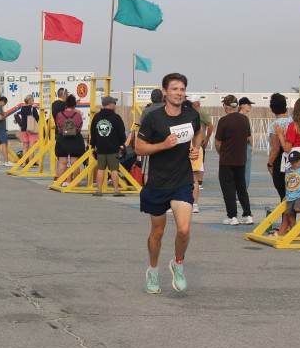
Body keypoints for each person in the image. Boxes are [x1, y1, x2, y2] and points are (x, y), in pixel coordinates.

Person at [134, 73, 201, 294]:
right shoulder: (153, 118)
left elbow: (198, 132)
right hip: (158, 183)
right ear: (165, 92)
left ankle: (178, 264)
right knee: (158, 231)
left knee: (184, 228)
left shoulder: (191, 115)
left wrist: (196, 148)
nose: (179, 93)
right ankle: (153, 271)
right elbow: (139, 148)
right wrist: (162, 145)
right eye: (174, 89)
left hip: (182, 181)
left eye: (182, 89)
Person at [215, 95, 253, 225]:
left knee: (228, 188)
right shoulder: (245, 120)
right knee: (242, 187)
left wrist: (221, 153)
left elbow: (217, 142)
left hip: (226, 159)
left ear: (225, 107)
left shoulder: (223, 121)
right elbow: (248, 137)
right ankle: (248, 214)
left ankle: (232, 216)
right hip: (241, 159)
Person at [90, 96, 127, 196]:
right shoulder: (116, 118)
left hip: (100, 148)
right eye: (114, 103)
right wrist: (121, 143)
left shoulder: (96, 117)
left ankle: (99, 190)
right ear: (110, 104)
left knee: (100, 168)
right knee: (114, 169)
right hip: (113, 148)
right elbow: (121, 134)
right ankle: (116, 190)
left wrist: (93, 145)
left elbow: (93, 132)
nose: (115, 105)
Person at [54, 94, 85, 185]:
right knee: (74, 162)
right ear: (74, 105)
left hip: (62, 139)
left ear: (66, 104)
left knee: (62, 162)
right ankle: (76, 183)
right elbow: (79, 127)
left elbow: (59, 127)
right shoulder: (77, 115)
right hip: (75, 139)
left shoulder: (59, 115)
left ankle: (60, 182)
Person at [267, 93, 292, 202]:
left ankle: (285, 213)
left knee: (282, 192)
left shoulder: (275, 125)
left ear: (272, 108)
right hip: (294, 156)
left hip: (281, 159)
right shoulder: (293, 121)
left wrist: (270, 164)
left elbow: (275, 149)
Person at [238, 97, 254, 190]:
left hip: (235, 147)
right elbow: (248, 135)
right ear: (242, 105)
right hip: (244, 146)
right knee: (246, 171)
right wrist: (252, 146)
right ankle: (243, 191)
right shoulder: (244, 118)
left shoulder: (233, 117)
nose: (250, 106)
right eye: (249, 104)